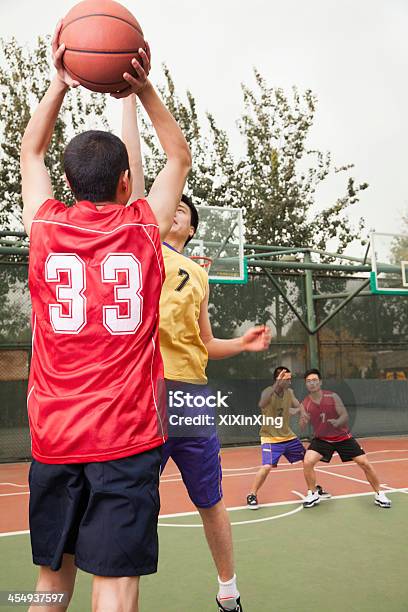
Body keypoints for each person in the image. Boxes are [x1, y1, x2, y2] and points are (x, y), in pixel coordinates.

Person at [20, 24, 191, 612]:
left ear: (67, 185)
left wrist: (58, 82)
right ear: (125, 183)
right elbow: (178, 155)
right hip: (126, 436)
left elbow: (31, 151)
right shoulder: (144, 228)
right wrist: (142, 89)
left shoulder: (44, 226)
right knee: (114, 584)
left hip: (55, 435)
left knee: (51, 581)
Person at [157, 196, 272, 612]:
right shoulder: (141, 249)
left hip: (190, 395)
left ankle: (229, 589)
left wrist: (241, 342)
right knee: (130, 497)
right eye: (167, 203)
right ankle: (115, 591)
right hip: (143, 391)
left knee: (210, 499)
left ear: (190, 230)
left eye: (182, 210)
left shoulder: (199, 276)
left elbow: (204, 343)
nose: (172, 209)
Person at [301, 368, 392, 509]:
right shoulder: (306, 403)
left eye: (314, 380)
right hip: (322, 439)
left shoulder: (332, 397)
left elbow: (344, 415)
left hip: (342, 437)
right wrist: (303, 421)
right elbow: (303, 422)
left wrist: (337, 422)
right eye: (308, 381)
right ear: (306, 384)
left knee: (365, 463)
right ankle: (312, 493)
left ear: (320, 382)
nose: (312, 383)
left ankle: (379, 494)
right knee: (307, 461)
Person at [246, 366, 330, 509]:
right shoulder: (268, 392)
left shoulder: (289, 392)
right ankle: (252, 495)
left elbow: (299, 405)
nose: (290, 382)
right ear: (278, 380)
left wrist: (302, 413)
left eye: (290, 379)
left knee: (307, 460)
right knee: (266, 467)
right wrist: (277, 384)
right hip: (270, 438)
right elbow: (262, 403)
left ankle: (314, 489)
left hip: (288, 437)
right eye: (286, 379)